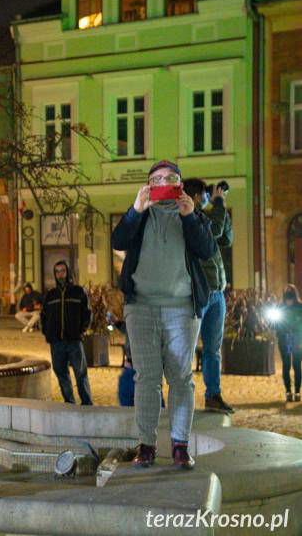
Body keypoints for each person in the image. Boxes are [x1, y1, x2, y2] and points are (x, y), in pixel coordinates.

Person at [111, 160, 217, 471]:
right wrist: (135, 210)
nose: (163, 182)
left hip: (182, 308)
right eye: (156, 178)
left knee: (181, 379)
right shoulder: (140, 213)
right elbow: (118, 241)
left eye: (170, 178)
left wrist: (189, 216)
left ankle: (180, 445)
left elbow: (207, 250)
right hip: (141, 307)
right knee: (146, 379)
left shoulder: (193, 215)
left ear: (180, 184)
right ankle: (146, 445)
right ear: (148, 185)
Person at [182, 178, 234, 414]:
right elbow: (214, 229)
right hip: (199, 294)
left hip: (218, 293)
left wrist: (222, 206)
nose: (206, 198)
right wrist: (219, 203)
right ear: (193, 198)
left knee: (213, 349)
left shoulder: (205, 217)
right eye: (204, 195)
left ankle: (213, 395)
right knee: (188, 348)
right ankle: (183, 396)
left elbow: (225, 237)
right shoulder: (190, 221)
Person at [39, 261, 93, 405]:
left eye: (62, 271)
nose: (60, 274)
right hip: (56, 342)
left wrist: (82, 330)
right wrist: (47, 333)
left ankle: (87, 403)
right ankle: (69, 402)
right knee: (61, 373)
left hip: (74, 340)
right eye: (57, 271)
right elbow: (43, 315)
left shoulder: (78, 291)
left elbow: (87, 313)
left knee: (80, 373)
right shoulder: (51, 295)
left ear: (68, 272)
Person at [276, 285, 302, 402]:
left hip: (297, 339)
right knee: (286, 365)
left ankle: (297, 391)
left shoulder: (300, 307)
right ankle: (288, 391)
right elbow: (275, 324)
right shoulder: (280, 307)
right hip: (284, 339)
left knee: (296, 365)